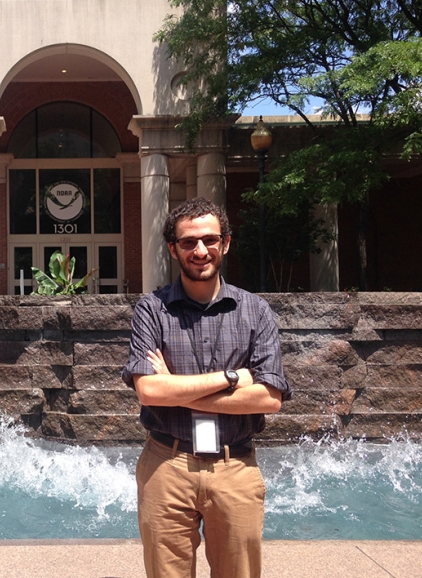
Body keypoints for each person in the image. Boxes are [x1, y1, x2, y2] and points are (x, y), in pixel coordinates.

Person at [122, 197, 291, 578]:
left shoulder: (255, 311)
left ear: (225, 243)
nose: (200, 250)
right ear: (172, 249)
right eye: (188, 242)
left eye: (210, 240)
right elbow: (149, 392)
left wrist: (176, 388)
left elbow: (269, 397)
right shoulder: (152, 311)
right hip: (167, 463)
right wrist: (232, 378)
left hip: (235, 467)